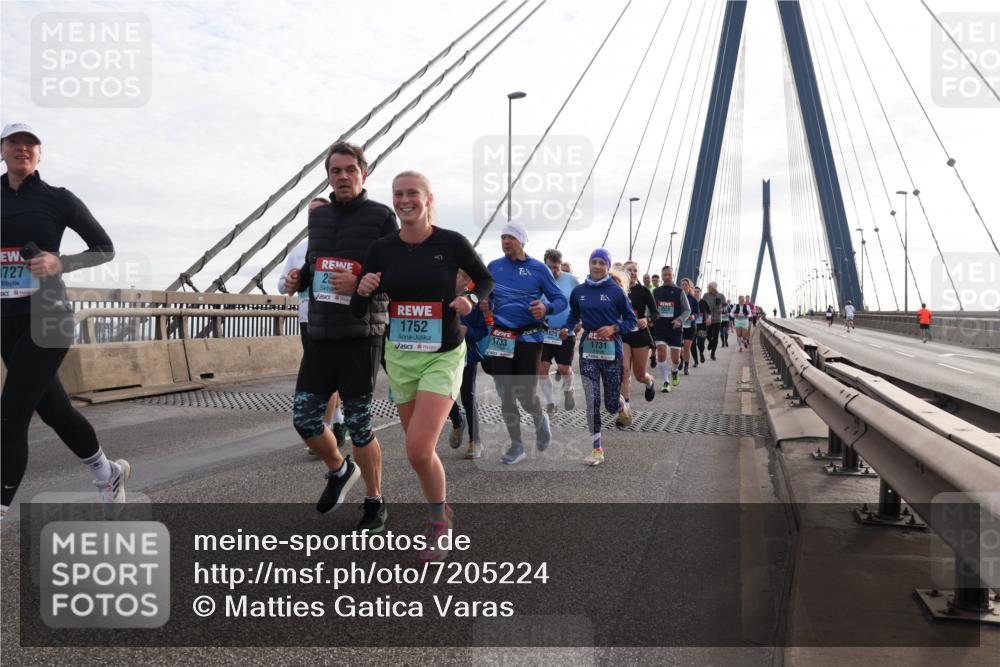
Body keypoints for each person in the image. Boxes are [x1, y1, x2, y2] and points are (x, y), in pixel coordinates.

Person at [353, 170, 493, 562]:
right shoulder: (382, 248)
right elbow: (359, 305)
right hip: (399, 356)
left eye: (412, 193)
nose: (404, 200)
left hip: (443, 353)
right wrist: (363, 291)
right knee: (420, 451)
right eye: (398, 194)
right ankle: (441, 505)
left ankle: (437, 524)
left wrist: (468, 297)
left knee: (417, 450)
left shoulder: (450, 243)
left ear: (428, 199)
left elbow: (484, 280)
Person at [1, 123, 130, 516]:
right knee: (56, 411)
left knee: (11, 413)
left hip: (50, 318)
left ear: (39, 154)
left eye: (31, 144)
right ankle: (106, 472)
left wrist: (61, 262)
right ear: (2, 150)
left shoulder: (57, 199)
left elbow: (104, 248)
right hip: (7, 320)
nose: (23, 148)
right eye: (15, 143)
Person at [283, 141, 395, 532]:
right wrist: (302, 278)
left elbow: (394, 273)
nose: (343, 177)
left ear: (364, 173)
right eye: (336, 171)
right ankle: (338, 467)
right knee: (305, 419)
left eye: (351, 169)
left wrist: (363, 282)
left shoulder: (381, 216)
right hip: (319, 331)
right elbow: (317, 266)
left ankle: (375, 499)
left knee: (361, 425)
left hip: (361, 334)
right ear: (329, 177)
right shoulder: (321, 218)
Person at [485, 221, 566, 465]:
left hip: (529, 337)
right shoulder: (494, 267)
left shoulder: (538, 269)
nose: (506, 242)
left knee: (526, 395)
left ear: (522, 240)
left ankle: (540, 420)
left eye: (510, 237)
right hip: (501, 337)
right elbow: (484, 295)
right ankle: (516, 444)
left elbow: (560, 299)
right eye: (502, 238)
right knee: (506, 395)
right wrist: (483, 303)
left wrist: (546, 306)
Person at [561, 249, 637, 466]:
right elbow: (573, 315)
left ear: (607, 267)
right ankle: (597, 449)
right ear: (589, 264)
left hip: (612, 351)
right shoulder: (579, 291)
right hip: (588, 351)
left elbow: (631, 321)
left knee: (611, 404)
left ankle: (621, 406)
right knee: (592, 399)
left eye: (601, 263)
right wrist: (567, 328)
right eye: (593, 262)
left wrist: (613, 327)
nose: (596, 266)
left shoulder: (616, 291)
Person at [278, 234, 347, 453]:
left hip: (333, 321)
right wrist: (291, 282)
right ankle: (337, 420)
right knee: (327, 376)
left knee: (326, 375)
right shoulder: (299, 251)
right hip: (307, 321)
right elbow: (282, 287)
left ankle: (324, 427)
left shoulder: (338, 247)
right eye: (311, 214)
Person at [446, 269, 489, 460]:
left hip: (467, 356)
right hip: (442, 355)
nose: (451, 278)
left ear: (467, 280)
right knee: (442, 393)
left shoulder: (473, 302)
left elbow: (482, 331)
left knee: (467, 395)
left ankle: (475, 440)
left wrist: (467, 331)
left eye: (456, 276)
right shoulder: (441, 296)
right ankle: (457, 421)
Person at [538, 248, 578, 415]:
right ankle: (550, 403)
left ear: (561, 265)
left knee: (563, 368)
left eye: (556, 267)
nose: (553, 271)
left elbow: (579, 304)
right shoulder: (539, 279)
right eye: (549, 267)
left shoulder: (572, 280)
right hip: (544, 332)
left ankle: (568, 389)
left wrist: (576, 322)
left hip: (565, 332)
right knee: (542, 369)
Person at [622, 261, 658, 405]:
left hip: (640, 336)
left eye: (635, 270)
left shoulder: (644, 291)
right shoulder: (618, 290)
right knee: (624, 372)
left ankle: (649, 382)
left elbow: (656, 313)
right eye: (629, 270)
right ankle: (625, 411)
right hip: (623, 334)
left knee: (639, 375)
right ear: (623, 273)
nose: (632, 272)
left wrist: (646, 319)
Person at [652, 265, 690, 392]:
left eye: (669, 274)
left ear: (673, 275)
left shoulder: (680, 292)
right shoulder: (656, 292)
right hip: (660, 328)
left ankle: (674, 370)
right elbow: (650, 309)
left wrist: (679, 320)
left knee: (676, 359)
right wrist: (649, 318)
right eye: (665, 275)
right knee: (661, 354)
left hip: (675, 328)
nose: (667, 277)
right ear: (662, 276)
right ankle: (666, 382)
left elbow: (687, 310)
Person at [700, 281, 726, 360]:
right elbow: (702, 305)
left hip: (717, 320)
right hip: (708, 319)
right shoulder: (705, 295)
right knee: (707, 335)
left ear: (713, 288)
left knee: (715, 336)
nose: (707, 288)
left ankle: (713, 354)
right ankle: (710, 342)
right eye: (708, 287)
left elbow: (725, 306)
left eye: (709, 287)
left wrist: (722, 309)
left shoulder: (721, 296)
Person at [679, 278, 699, 373]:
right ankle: (681, 360)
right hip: (679, 326)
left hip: (690, 327)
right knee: (679, 348)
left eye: (686, 285)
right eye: (682, 284)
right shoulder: (677, 297)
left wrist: (693, 316)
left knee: (686, 348)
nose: (684, 286)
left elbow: (697, 313)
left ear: (689, 286)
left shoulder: (693, 299)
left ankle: (686, 367)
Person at [693, 286, 709, 365]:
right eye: (695, 292)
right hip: (691, 326)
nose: (696, 293)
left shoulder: (703, 302)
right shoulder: (690, 301)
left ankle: (701, 353)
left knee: (700, 344)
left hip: (702, 326)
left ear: (700, 293)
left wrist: (709, 318)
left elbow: (709, 312)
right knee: (692, 345)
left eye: (697, 292)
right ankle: (696, 361)